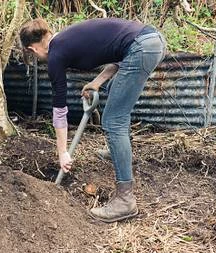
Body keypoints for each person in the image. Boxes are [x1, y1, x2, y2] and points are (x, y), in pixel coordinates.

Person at [19, 18, 166, 223]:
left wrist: (62, 152)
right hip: (151, 40)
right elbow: (121, 53)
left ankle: (125, 200)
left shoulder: (55, 55)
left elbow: (60, 108)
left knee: (114, 120)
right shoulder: (65, 40)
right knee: (118, 108)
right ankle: (117, 149)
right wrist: (96, 83)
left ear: (32, 50)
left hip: (142, 47)